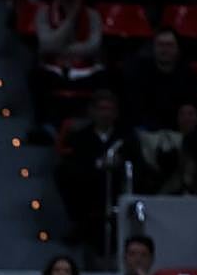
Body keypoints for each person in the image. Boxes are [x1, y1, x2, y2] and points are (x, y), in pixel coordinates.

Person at [54, 91, 140, 248]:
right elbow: (76, 163)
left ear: (116, 113)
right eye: (101, 109)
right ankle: (81, 222)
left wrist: (119, 163)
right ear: (92, 111)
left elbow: (136, 161)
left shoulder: (126, 137)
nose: (105, 114)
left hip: (117, 183)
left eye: (109, 109)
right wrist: (97, 164)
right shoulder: (80, 137)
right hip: (89, 186)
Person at [28, 0, 104, 132]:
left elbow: (93, 47)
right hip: (54, 69)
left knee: (109, 78)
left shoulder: (93, 15)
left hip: (85, 70)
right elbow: (46, 45)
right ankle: (44, 126)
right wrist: (70, 19)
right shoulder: (44, 13)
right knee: (35, 76)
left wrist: (60, 48)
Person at [120, 28, 197, 133]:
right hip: (147, 134)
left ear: (177, 48)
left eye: (169, 45)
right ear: (153, 48)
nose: (165, 50)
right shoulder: (139, 73)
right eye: (160, 45)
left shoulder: (190, 76)